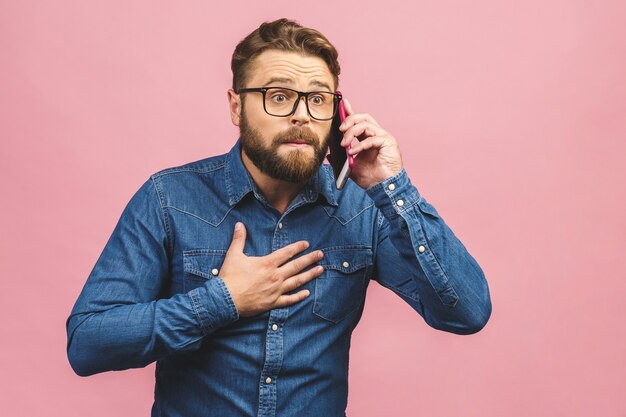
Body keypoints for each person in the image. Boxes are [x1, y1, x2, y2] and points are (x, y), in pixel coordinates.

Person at [66, 17, 492, 417]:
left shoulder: (362, 207)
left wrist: (393, 186)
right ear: (236, 106)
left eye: (319, 98)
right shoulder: (168, 198)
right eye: (279, 95)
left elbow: (467, 312)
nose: (302, 114)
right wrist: (223, 301)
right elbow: (87, 343)